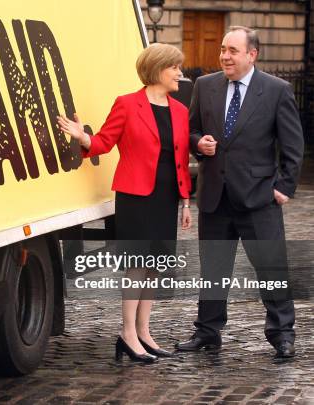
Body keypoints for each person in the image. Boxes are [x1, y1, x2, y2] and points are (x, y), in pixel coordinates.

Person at [57, 43, 192, 364]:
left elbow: (181, 159)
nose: (180, 73)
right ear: (158, 69)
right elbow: (105, 141)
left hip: (167, 197)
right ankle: (127, 333)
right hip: (135, 197)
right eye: (175, 67)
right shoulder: (127, 104)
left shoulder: (181, 110)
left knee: (156, 266)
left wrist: (186, 202)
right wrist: (82, 137)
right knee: (136, 264)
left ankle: (144, 332)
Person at [175, 26, 304, 358]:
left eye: (232, 50)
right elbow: (190, 130)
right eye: (222, 49)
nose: (224, 56)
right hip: (215, 196)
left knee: (270, 267)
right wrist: (198, 144)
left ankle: (282, 333)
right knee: (214, 267)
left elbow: (293, 144)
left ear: (252, 54)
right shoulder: (205, 86)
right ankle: (208, 331)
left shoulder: (277, 90)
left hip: (259, 198)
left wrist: (284, 187)